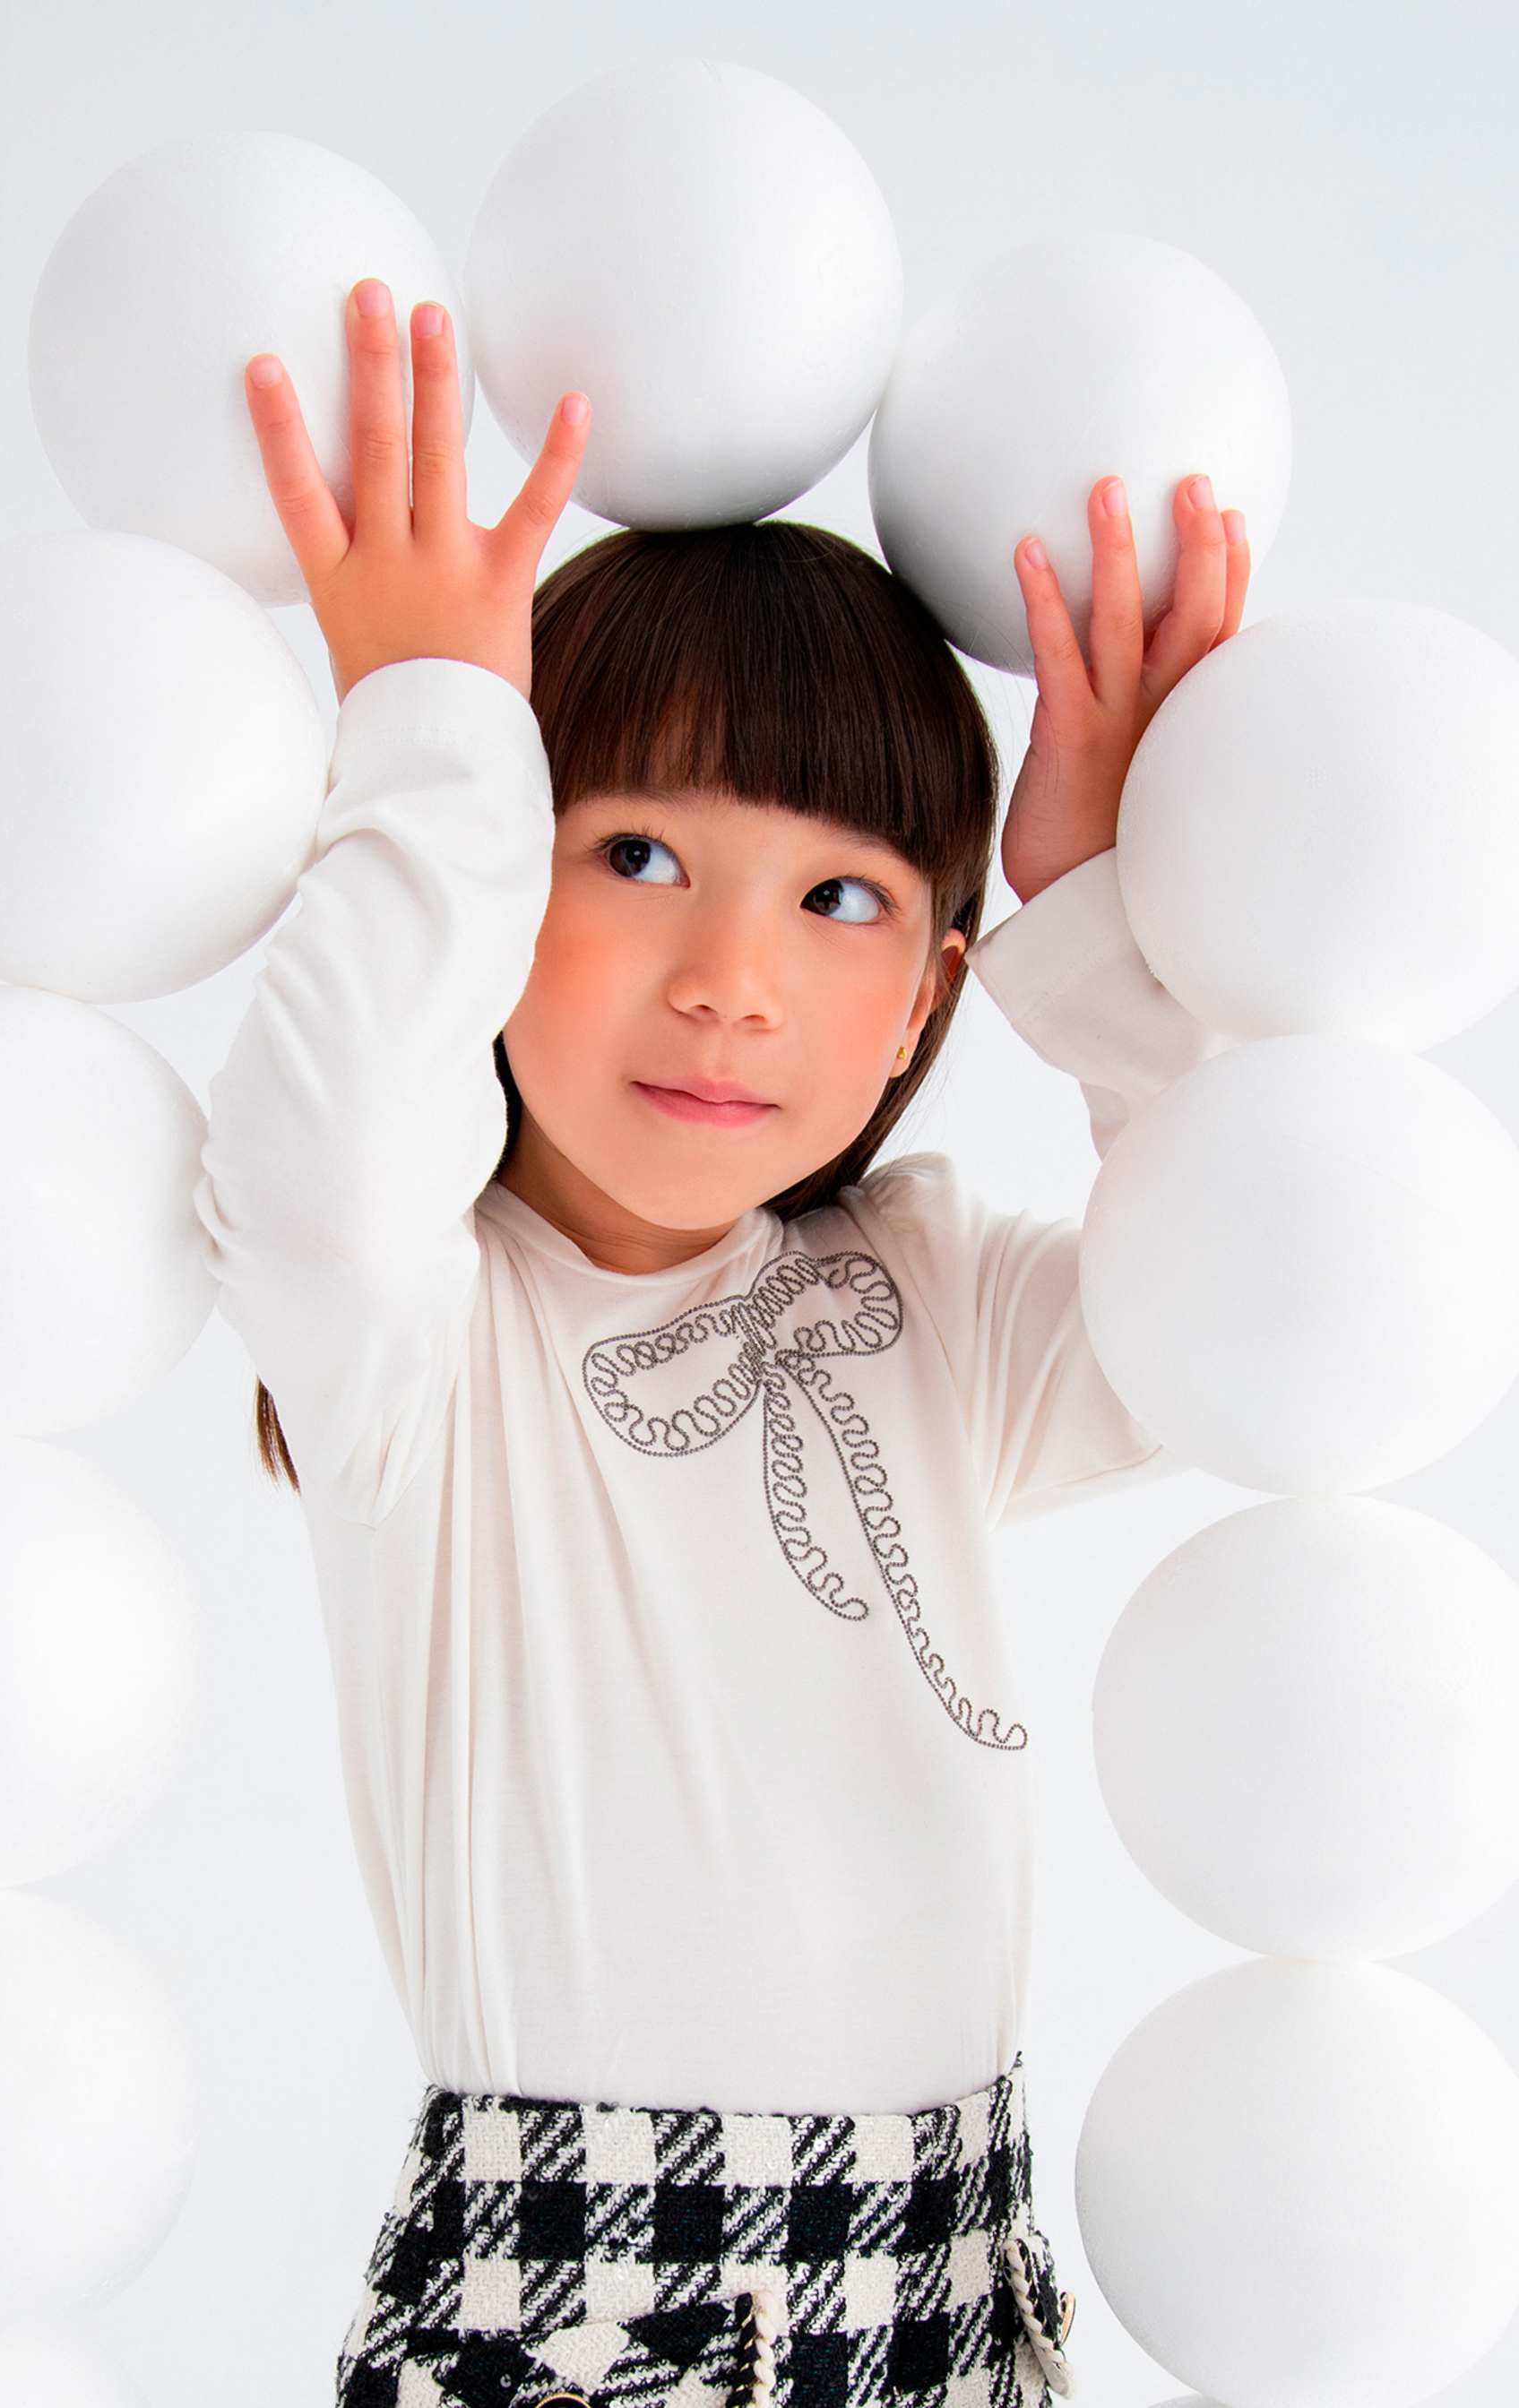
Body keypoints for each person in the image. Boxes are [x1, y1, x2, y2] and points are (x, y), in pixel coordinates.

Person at [196, 280, 1251, 2408]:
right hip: (580, 2309)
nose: (729, 982)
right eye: (639, 854)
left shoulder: (933, 1295)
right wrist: (431, 724)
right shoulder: (423, 1333)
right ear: (503, 888)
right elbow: (303, 1169)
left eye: (835, 903)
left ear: (931, 994)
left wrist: (1112, 909)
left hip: (948, 2281)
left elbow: (1226, 1323)